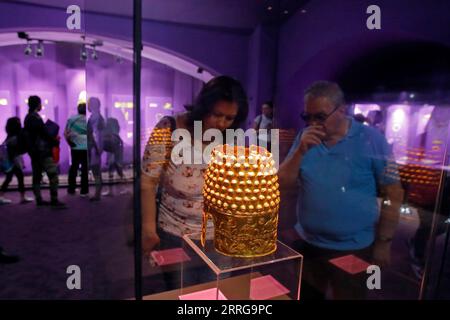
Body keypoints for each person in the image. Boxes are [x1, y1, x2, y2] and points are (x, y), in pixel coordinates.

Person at [278, 81, 404, 299]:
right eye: (307, 117)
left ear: (342, 110)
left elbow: (393, 192)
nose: (313, 123)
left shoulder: (371, 139)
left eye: (320, 116)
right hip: (309, 243)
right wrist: (299, 152)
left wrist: (384, 243)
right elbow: (282, 184)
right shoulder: (304, 137)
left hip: (353, 247)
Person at [141, 75, 248, 289]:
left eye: (229, 118)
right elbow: (147, 183)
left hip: (218, 237)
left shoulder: (231, 136)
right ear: (203, 107)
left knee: (214, 294)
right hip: (175, 232)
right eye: (217, 115)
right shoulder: (169, 128)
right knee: (182, 293)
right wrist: (149, 230)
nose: (221, 124)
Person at [405, 106, 450, 279]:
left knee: (440, 225)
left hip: (443, 190)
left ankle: (415, 244)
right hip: (425, 190)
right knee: (428, 225)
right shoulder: (422, 138)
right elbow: (413, 165)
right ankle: (417, 255)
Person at [24, 95, 66, 209]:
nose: (41, 105)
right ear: (37, 104)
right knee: (53, 175)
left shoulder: (28, 117)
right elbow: (44, 133)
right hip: (43, 151)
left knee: (37, 177)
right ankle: (54, 199)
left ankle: (39, 200)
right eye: (40, 103)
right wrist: (54, 141)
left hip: (34, 152)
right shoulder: (35, 118)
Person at [0, 117, 34, 204]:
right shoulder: (15, 136)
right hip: (10, 159)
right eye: (18, 122)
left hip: (8, 159)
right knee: (16, 177)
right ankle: (22, 197)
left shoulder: (11, 135)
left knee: (12, 177)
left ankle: (22, 197)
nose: (20, 123)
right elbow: (12, 152)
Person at [65, 103, 88, 197]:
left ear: (78, 110)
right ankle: (84, 191)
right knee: (85, 168)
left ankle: (71, 189)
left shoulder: (71, 119)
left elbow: (66, 133)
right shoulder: (88, 119)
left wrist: (70, 143)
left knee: (74, 167)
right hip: (86, 146)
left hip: (75, 146)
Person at [102, 117, 126, 196]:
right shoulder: (113, 135)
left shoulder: (113, 136)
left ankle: (120, 189)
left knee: (117, 169)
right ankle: (111, 190)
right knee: (113, 170)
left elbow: (114, 147)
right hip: (114, 152)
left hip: (115, 153)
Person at [87, 97, 105, 201]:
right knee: (95, 169)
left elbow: (97, 135)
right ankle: (97, 192)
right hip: (95, 146)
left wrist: (98, 148)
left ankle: (97, 193)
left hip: (95, 147)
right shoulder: (96, 117)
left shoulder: (96, 117)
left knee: (95, 169)